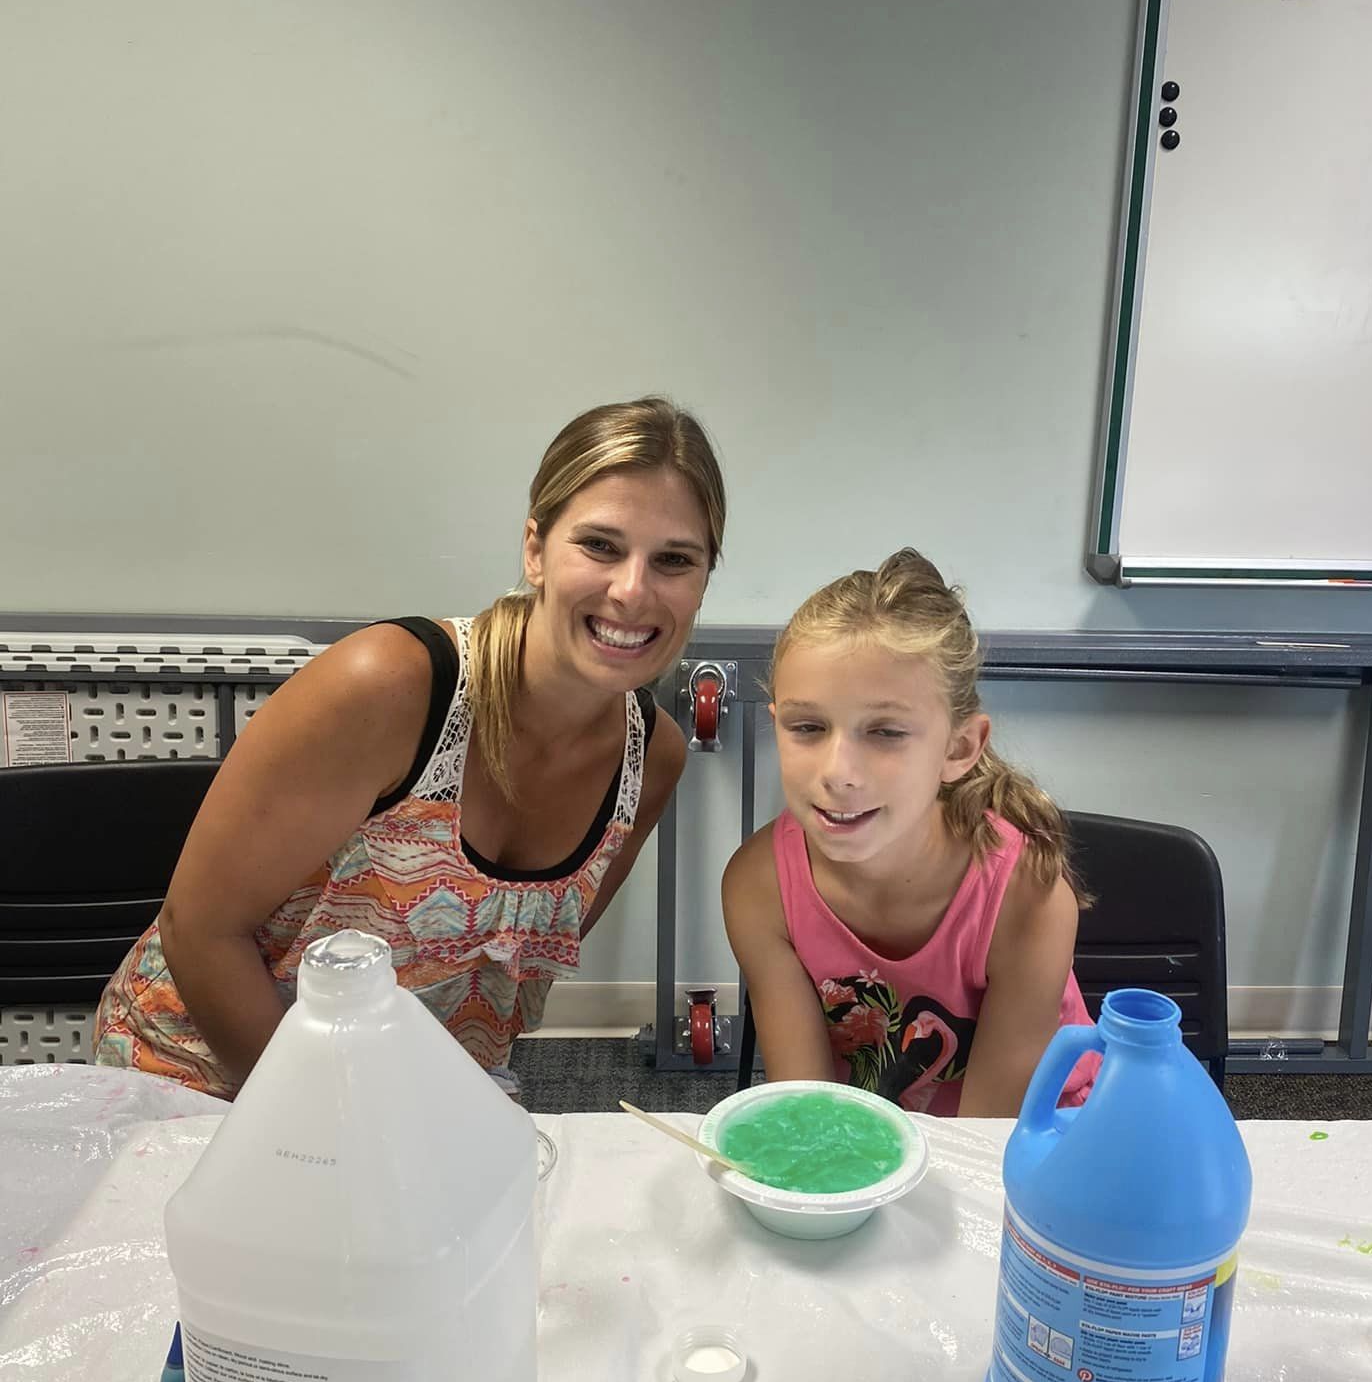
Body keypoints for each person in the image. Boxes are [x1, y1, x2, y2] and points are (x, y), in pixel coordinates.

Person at [96, 396, 726, 1098]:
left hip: (407, 1099)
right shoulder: (391, 687)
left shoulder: (651, 759)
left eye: (675, 560)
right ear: (536, 550)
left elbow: (499, 980)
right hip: (199, 1078)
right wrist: (337, 1131)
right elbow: (200, 931)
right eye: (600, 546)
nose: (632, 592)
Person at [723, 549, 1098, 1119]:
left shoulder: (1027, 894)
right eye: (808, 727)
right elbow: (810, 1111)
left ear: (959, 748)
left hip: (1041, 1132)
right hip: (882, 1135)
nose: (838, 773)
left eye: (886, 733)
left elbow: (988, 1140)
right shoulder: (759, 887)